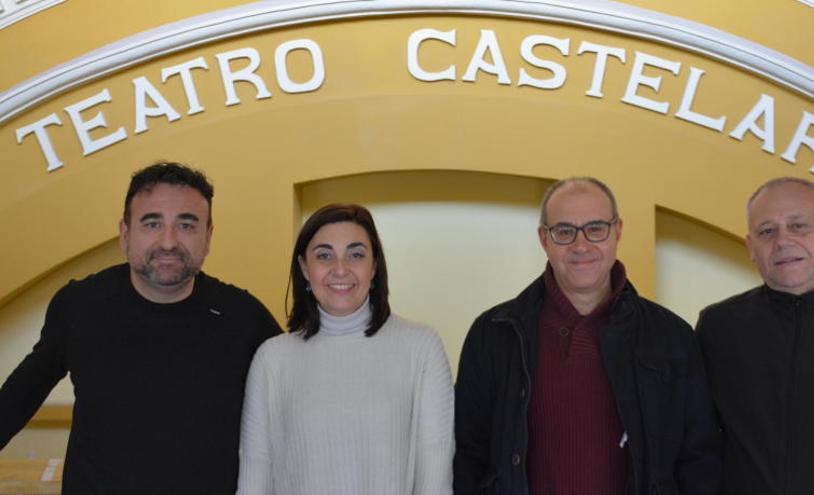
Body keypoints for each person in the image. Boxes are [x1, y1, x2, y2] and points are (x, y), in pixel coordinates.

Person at [0, 162, 281, 494]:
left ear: (208, 237)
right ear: (124, 233)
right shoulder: (79, 306)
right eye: (152, 223)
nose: (168, 241)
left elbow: (297, 412)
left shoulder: (244, 319)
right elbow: (18, 397)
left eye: (187, 225)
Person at [454, 177, 721, 495]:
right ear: (544, 239)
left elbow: (699, 461)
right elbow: (469, 457)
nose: (581, 246)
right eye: (565, 231)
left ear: (618, 231)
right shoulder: (494, 334)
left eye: (596, 228)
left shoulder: (672, 337)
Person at [236, 203, 454, 495]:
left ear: (374, 266)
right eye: (324, 255)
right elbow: (255, 476)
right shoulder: (272, 359)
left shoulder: (422, 347)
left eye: (356, 255)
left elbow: (435, 479)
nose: (340, 269)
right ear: (304, 267)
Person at [696, 177, 814, 495]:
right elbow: (695, 441)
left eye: (798, 226)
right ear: (751, 247)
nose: (783, 241)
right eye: (767, 231)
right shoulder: (719, 327)